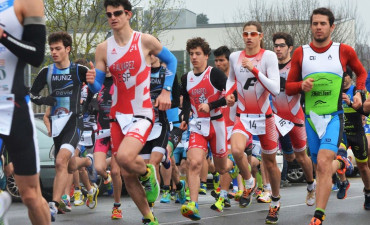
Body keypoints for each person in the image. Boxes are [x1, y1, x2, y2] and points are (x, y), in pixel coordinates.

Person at [88, 0, 178, 224]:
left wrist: (166, 91)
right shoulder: (103, 48)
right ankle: (149, 218)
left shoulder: (144, 40)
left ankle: (148, 173)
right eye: (108, 14)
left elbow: (172, 60)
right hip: (118, 115)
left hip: (142, 112)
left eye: (117, 13)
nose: (112, 18)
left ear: (128, 14)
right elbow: (99, 87)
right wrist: (91, 82)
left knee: (126, 158)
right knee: (126, 172)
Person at [285, 8, 367, 225]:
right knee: (319, 166)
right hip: (310, 119)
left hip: (333, 117)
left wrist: (359, 92)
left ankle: (318, 215)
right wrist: (301, 85)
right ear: (310, 26)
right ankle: (341, 163)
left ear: (332, 27)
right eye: (315, 23)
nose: (318, 27)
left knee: (322, 162)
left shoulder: (344, 50)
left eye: (323, 23)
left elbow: (361, 72)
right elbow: (288, 87)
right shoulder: (300, 53)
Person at [30, 31, 98, 222]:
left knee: (60, 161)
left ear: (67, 49)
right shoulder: (47, 71)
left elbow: (97, 88)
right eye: (51, 49)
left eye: (58, 48)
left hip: (74, 121)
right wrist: (45, 99)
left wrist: (93, 85)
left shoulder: (78, 71)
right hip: (57, 124)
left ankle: (54, 203)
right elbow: (32, 94)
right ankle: (88, 162)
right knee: (69, 166)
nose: (54, 52)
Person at [225, 21, 281, 224]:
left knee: (270, 163)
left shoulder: (269, 56)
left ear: (260, 36)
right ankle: (249, 182)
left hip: (264, 118)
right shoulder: (234, 57)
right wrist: (228, 94)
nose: (249, 37)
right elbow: (231, 79)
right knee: (237, 150)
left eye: (253, 34)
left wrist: (255, 71)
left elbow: (275, 88)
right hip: (243, 115)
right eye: (245, 34)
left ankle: (274, 201)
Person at [0, 0, 50, 224]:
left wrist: (4, 36)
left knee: (30, 195)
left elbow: (37, 55)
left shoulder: (27, 2)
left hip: (13, 107)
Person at [180, 37, 236, 221]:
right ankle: (193, 205)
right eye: (191, 54)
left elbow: (232, 95)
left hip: (217, 124)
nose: (194, 57)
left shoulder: (215, 74)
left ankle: (232, 165)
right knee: (194, 162)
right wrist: (184, 117)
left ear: (206, 56)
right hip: (198, 125)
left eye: (198, 54)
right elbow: (187, 100)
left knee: (220, 168)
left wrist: (211, 105)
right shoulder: (186, 77)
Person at [271, 32, 315, 206]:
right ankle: (269, 191)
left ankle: (311, 184)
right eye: (276, 46)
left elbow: (304, 87)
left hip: (295, 118)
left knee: (299, 157)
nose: (278, 49)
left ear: (290, 48)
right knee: (270, 154)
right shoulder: (271, 66)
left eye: (282, 45)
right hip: (276, 118)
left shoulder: (297, 67)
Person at [340, 67, 370, 207]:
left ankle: (368, 193)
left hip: (357, 132)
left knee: (363, 167)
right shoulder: (335, 90)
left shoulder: (357, 91)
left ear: (350, 77)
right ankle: (343, 181)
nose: (342, 77)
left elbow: (365, 111)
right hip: (342, 132)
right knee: (337, 156)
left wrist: (350, 103)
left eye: (345, 75)